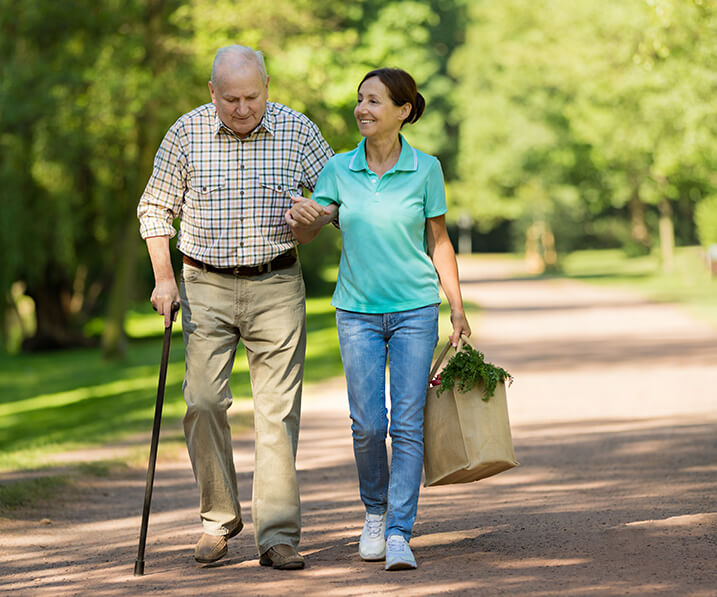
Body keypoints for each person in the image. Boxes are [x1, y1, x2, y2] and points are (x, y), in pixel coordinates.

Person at [137, 45, 335, 570]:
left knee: (276, 411)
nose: (243, 108)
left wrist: (313, 220)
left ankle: (277, 536)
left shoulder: (299, 131)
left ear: (267, 86)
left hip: (276, 280)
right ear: (212, 92)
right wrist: (163, 278)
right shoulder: (186, 132)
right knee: (202, 401)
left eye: (252, 96)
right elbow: (155, 208)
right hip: (204, 281)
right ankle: (218, 520)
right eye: (231, 99)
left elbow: (339, 201)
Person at [286, 68, 471, 570]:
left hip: (414, 309)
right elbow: (311, 232)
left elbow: (438, 241)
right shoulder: (339, 169)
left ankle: (398, 532)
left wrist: (456, 306)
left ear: (403, 111)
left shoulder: (426, 168)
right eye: (360, 100)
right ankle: (374, 511)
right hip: (357, 313)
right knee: (369, 425)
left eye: (374, 101)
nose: (361, 109)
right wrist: (306, 219)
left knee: (408, 424)